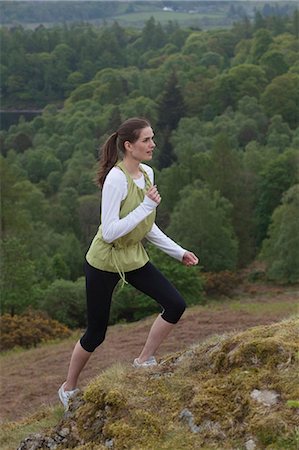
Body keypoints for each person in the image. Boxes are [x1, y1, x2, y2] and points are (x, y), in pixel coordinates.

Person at [58, 117, 199, 409]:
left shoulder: (147, 173)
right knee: (96, 333)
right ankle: (68, 389)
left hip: (133, 255)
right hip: (103, 261)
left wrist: (178, 251)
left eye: (152, 138)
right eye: (146, 140)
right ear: (128, 146)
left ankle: (144, 359)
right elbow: (109, 230)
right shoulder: (116, 179)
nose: (153, 144)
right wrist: (147, 205)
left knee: (175, 304)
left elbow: (147, 226)